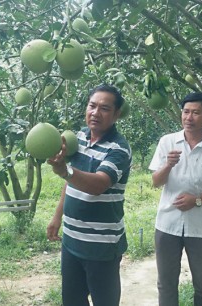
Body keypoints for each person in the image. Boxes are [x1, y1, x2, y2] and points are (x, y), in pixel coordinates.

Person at [46, 84, 132, 306]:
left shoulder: (119, 149)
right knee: (73, 301)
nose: (95, 113)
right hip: (72, 240)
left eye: (104, 108)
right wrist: (57, 216)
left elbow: (99, 184)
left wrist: (66, 170)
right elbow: (71, 182)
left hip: (101, 245)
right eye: (92, 106)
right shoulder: (79, 138)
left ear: (116, 114)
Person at [148, 92, 202, 306]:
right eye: (186, 112)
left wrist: (197, 199)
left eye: (196, 113)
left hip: (200, 227)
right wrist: (167, 165)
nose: (189, 117)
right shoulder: (167, 142)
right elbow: (156, 182)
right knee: (166, 283)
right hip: (167, 225)